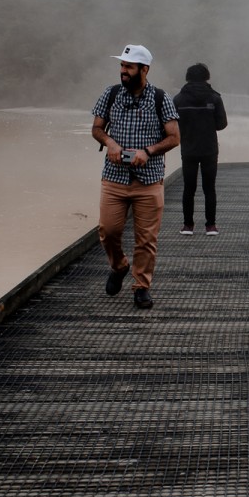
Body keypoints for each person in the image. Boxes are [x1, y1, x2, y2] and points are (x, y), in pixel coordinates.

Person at [91, 44, 180, 309]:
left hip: (149, 180)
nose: (123, 71)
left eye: (129, 67)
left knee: (146, 239)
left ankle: (141, 286)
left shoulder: (160, 98)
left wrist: (148, 151)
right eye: (121, 66)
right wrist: (110, 143)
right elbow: (96, 128)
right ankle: (119, 266)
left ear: (145, 69)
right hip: (114, 178)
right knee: (108, 231)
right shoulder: (111, 93)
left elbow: (175, 137)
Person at [173, 62, 228, 236]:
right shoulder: (215, 98)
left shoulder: (178, 99)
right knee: (209, 188)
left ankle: (188, 226)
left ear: (188, 78)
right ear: (207, 77)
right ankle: (210, 226)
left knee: (188, 188)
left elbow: (173, 125)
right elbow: (222, 124)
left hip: (188, 149)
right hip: (209, 149)